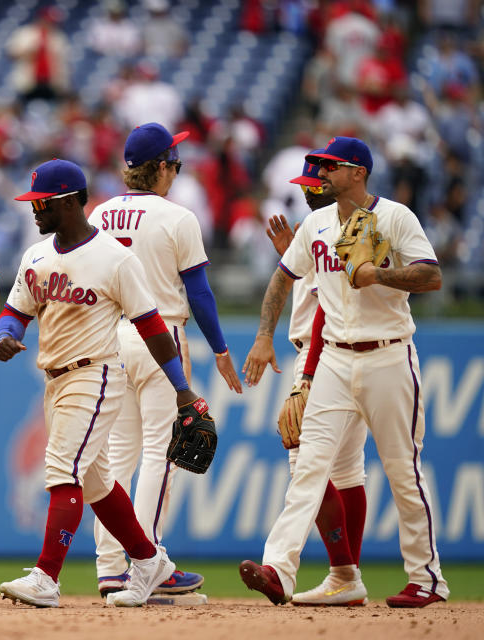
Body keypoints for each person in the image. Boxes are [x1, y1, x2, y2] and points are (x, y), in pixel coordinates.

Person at [240, 136, 448, 608]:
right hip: (333, 355)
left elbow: (431, 275)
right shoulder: (315, 223)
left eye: (331, 166)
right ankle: (279, 568)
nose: (322, 172)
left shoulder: (394, 216)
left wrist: (380, 274)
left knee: (403, 471)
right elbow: (282, 277)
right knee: (309, 467)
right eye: (321, 165)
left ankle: (426, 578)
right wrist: (262, 336)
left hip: (388, 354)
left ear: (358, 172)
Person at [0, 158, 212, 608]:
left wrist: (182, 389)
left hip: (95, 375)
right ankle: (150, 562)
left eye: (43, 203)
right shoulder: (36, 254)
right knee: (95, 484)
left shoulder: (116, 258)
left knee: (62, 472)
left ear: (73, 201)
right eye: (33, 202)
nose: (35, 211)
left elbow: (152, 328)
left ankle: (46, 577)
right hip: (54, 381)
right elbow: (16, 310)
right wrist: (6, 335)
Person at [87, 123, 243, 598]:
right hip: (159, 338)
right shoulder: (178, 217)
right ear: (158, 168)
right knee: (162, 453)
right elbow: (198, 292)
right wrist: (219, 348)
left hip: (109, 337)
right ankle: (148, 561)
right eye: (173, 162)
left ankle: (111, 567)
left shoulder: (101, 213)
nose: (176, 169)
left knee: (118, 456)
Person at [262, 153, 368, 606]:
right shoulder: (321, 231)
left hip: (325, 354)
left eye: (315, 182)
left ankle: (340, 570)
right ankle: (347, 578)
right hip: (340, 352)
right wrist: (291, 253)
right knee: (346, 471)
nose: (308, 188)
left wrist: (307, 375)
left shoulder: (343, 230)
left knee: (302, 459)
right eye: (306, 183)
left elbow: (329, 303)